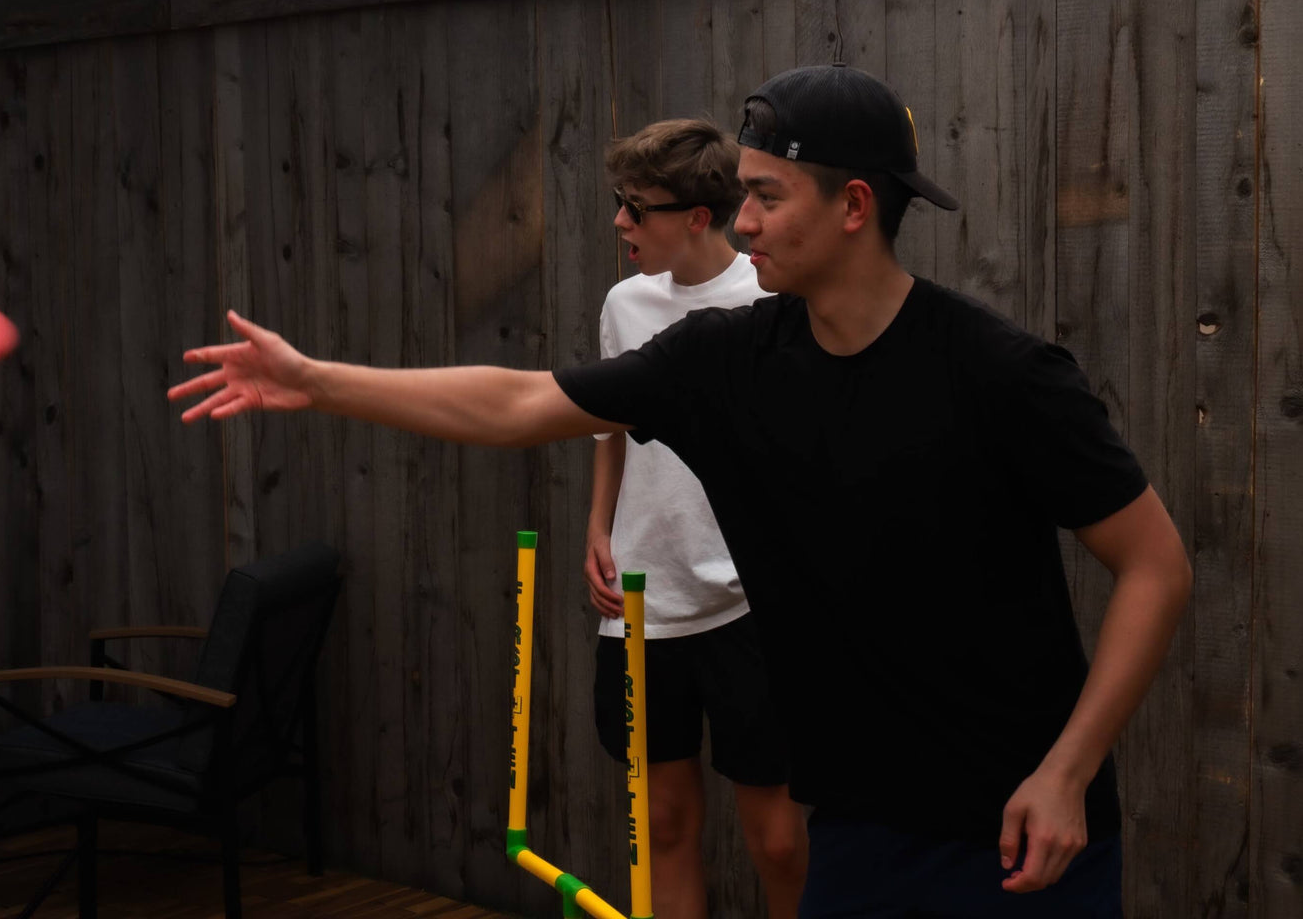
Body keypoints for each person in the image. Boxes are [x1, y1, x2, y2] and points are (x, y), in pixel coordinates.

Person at [169, 64, 1192, 918]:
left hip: (1020, 831)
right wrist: (318, 381)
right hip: (858, 828)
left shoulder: (1000, 374)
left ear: (854, 206)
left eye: (767, 196)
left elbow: (1155, 566)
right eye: (740, 192)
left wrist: (1068, 770)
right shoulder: (721, 360)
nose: (741, 221)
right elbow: (521, 402)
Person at [586, 118, 806, 919]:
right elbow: (608, 429)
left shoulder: (771, 298)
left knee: (777, 837)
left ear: (696, 217)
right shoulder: (624, 305)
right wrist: (598, 529)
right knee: (666, 820)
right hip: (643, 604)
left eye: (634, 208)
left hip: (750, 606)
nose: (620, 223)